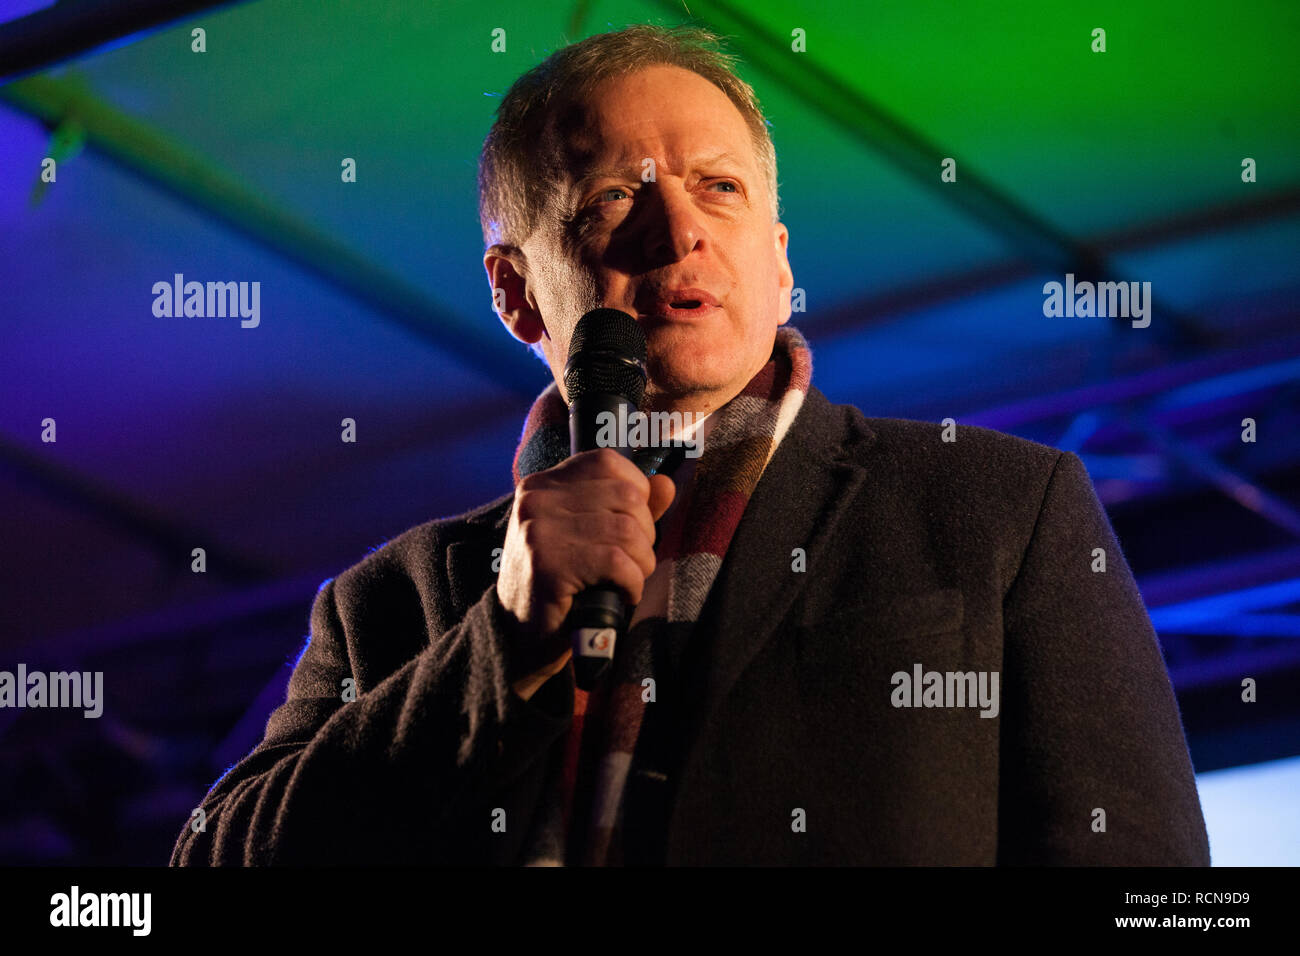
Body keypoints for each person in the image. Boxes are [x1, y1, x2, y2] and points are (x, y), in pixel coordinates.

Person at [170, 24, 1210, 866]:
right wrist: (506, 641)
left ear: (777, 255)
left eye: (719, 188)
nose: (679, 233)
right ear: (515, 291)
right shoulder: (391, 602)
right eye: (615, 196)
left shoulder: (996, 507)